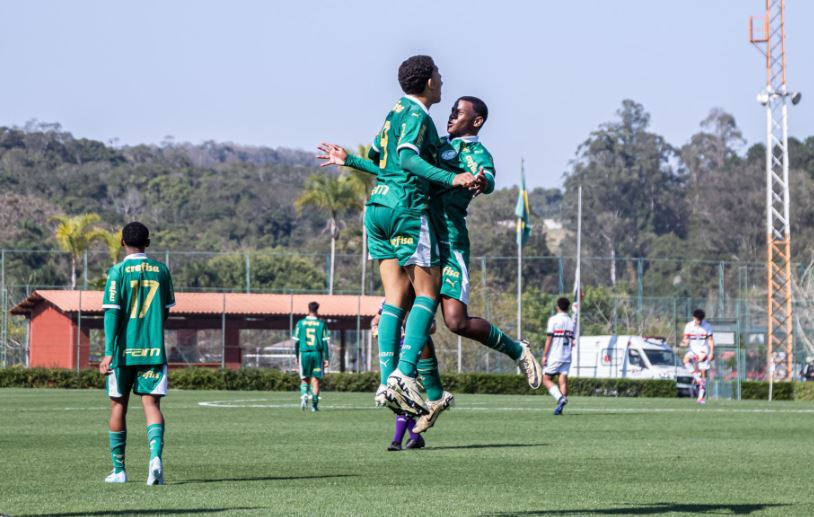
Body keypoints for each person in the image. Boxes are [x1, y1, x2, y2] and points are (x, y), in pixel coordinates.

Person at [319, 55, 478, 416]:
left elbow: (380, 156)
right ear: (429, 83)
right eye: (439, 73)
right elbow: (405, 158)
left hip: (377, 208)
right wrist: (451, 177)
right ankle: (404, 376)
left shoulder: (393, 112)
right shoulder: (419, 116)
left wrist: (351, 161)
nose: (442, 77)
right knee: (428, 290)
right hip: (406, 206)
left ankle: (386, 379)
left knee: (394, 297)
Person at [99, 222, 175, 485]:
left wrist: (108, 352)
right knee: (151, 405)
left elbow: (112, 313)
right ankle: (155, 457)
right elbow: (165, 311)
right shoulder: (162, 271)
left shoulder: (117, 272)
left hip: (122, 354)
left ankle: (119, 470)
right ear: (148, 243)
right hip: (153, 350)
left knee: (119, 405)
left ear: (122, 242)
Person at [292, 301, 331, 412]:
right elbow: (325, 343)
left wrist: (297, 356)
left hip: (304, 353)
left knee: (304, 379)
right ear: (317, 309)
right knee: (315, 381)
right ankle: (314, 406)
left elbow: (296, 342)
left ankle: (304, 395)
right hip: (316, 354)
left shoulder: (300, 323)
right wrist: (327, 358)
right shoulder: (321, 324)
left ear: (308, 309)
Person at [541, 297, 575, 415]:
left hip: (555, 355)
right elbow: (573, 341)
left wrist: (545, 355)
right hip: (567, 356)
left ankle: (560, 398)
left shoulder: (554, 320)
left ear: (557, 307)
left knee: (545, 379)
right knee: (563, 381)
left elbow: (549, 339)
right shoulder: (571, 321)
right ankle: (560, 407)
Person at [682, 309, 715, 404]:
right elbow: (685, 338)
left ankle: (700, 398)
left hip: (703, 351)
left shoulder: (707, 326)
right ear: (694, 318)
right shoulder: (689, 326)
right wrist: (685, 342)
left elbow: (710, 340)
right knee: (686, 360)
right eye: (697, 320)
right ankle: (698, 379)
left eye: (700, 320)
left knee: (704, 373)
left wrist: (712, 352)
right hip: (693, 350)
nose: (699, 322)